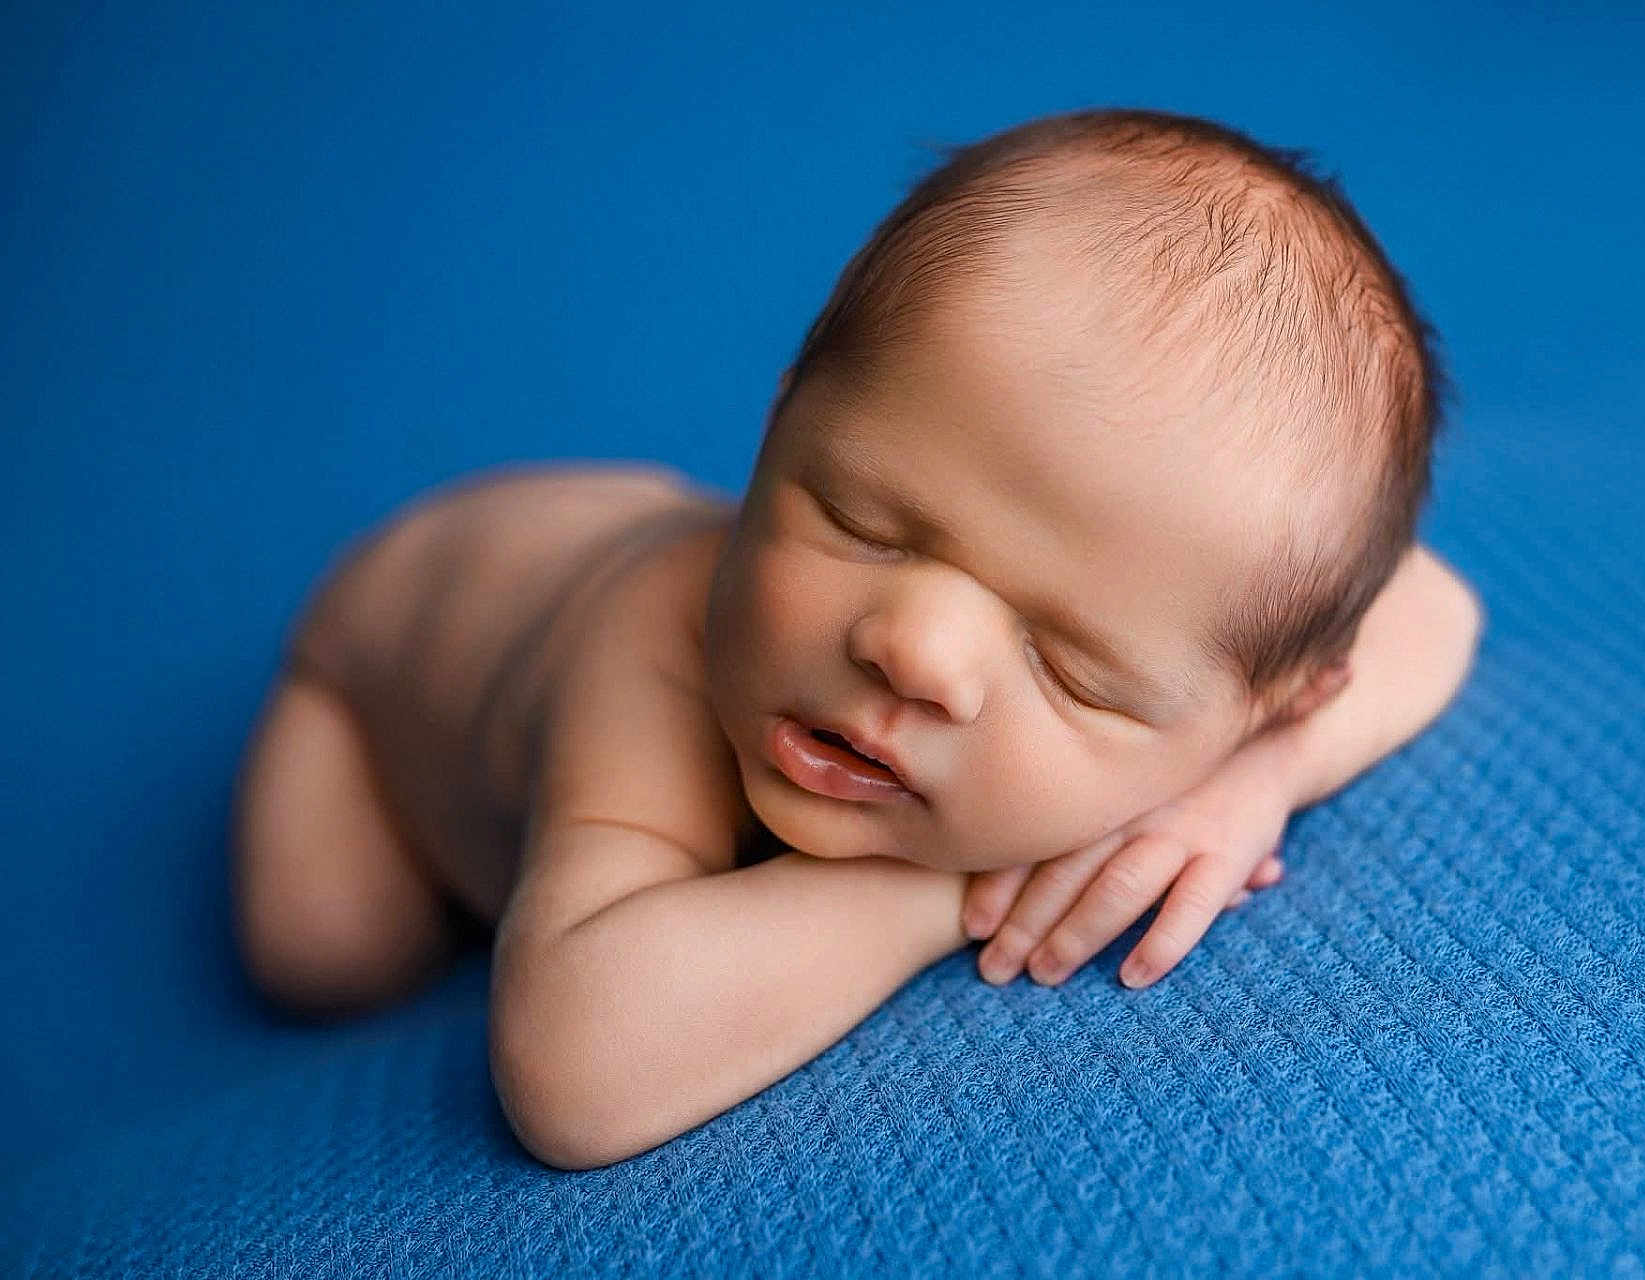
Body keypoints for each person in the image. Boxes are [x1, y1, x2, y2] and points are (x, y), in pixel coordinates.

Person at [230, 107, 1485, 1170]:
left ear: (1282, 694)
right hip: (395, 642)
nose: (915, 648)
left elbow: (1433, 602)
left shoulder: (1243, 667)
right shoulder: (651, 651)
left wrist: (1247, 781)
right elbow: (574, 1067)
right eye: (861, 521)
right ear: (781, 419)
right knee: (328, 947)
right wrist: (953, 887)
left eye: (1070, 664)